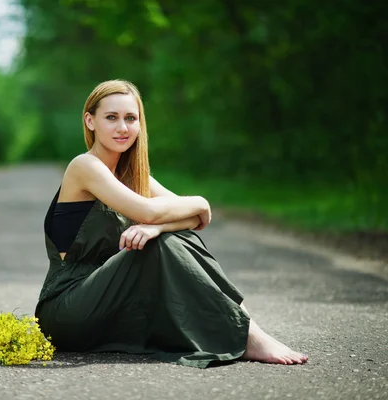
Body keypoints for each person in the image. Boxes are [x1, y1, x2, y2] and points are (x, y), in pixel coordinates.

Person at [34, 79, 308, 368]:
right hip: (69, 308)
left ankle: (248, 329)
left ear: (140, 125)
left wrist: (158, 227)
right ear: (90, 121)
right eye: (111, 118)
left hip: (109, 302)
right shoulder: (84, 166)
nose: (122, 127)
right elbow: (166, 210)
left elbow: (190, 219)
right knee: (160, 245)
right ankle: (250, 335)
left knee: (174, 237)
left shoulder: (133, 177)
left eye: (131, 118)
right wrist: (198, 203)